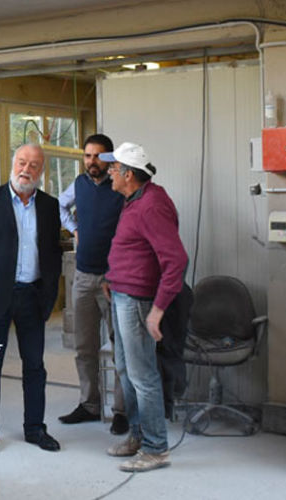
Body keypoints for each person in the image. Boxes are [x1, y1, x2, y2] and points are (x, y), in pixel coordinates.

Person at [0, 143, 63, 452]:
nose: (25, 170)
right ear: (12, 163)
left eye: (33, 165)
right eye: (21, 162)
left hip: (32, 296)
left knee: (35, 365)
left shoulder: (49, 205)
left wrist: (50, 294)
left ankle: (35, 428)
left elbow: (53, 254)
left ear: (41, 171)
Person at [102, 142, 187, 472]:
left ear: (127, 174)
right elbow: (136, 250)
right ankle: (138, 436)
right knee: (126, 370)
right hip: (122, 294)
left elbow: (176, 259)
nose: (109, 172)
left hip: (138, 302)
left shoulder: (151, 205)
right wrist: (113, 277)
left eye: (113, 168)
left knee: (143, 376)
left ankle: (156, 448)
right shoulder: (135, 199)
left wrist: (158, 309)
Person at [56, 133, 129, 435]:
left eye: (98, 156)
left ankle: (123, 411)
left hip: (115, 278)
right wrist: (74, 229)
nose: (92, 161)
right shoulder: (79, 185)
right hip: (84, 277)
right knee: (84, 346)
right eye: (87, 156)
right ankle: (89, 404)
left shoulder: (120, 186)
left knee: (120, 347)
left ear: (110, 159)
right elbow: (59, 206)